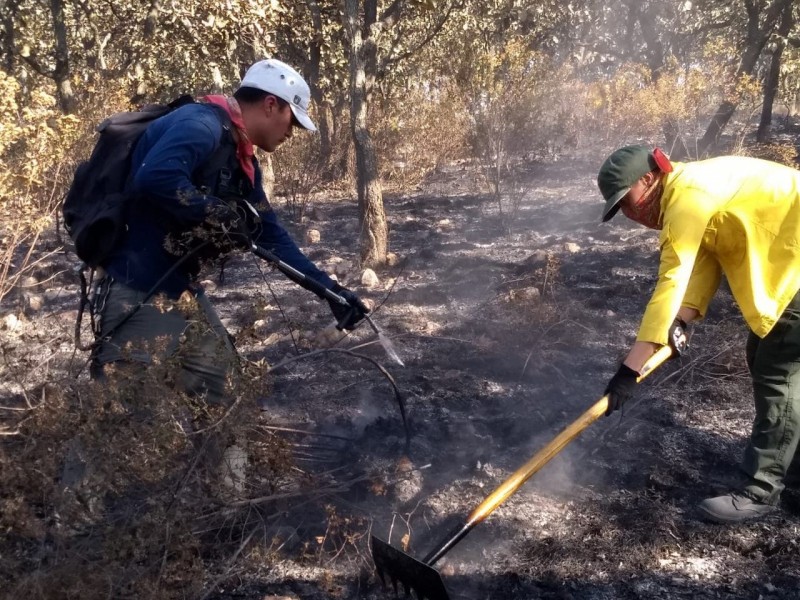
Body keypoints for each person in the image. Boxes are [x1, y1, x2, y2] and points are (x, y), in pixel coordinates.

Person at [89, 58, 369, 404]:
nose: (290, 133)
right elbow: (155, 177)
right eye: (291, 121)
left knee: (228, 395)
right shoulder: (200, 125)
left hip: (180, 291)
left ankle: (230, 460)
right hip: (136, 292)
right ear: (270, 105)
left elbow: (271, 235)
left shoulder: (241, 162)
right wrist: (215, 213)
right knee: (122, 427)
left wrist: (331, 292)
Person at [597, 144, 800, 523]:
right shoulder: (689, 187)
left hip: (795, 265)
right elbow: (702, 260)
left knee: (778, 373)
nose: (629, 214)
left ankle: (760, 490)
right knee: (769, 359)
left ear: (648, 178)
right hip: (791, 261)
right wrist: (682, 320)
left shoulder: (687, 197)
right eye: (620, 209)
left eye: (627, 202)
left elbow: (671, 280)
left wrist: (630, 370)